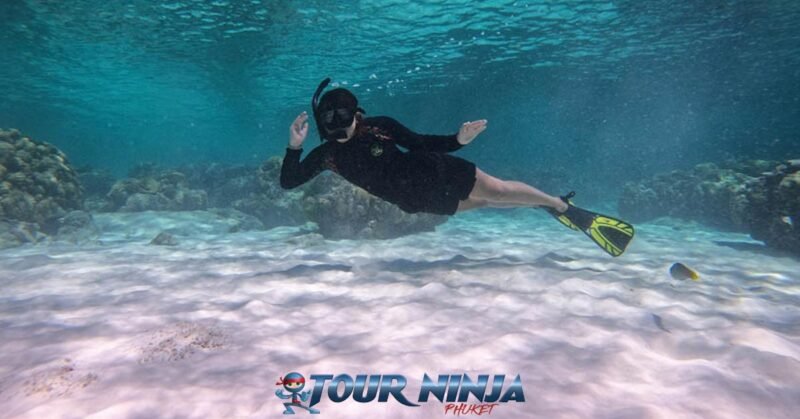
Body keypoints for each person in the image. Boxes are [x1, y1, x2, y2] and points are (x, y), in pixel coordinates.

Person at [279, 78, 634, 256]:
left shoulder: (380, 125)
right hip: (414, 200)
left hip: (433, 171)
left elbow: (421, 143)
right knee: (485, 204)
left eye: (344, 120)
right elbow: (289, 182)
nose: (338, 129)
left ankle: (561, 206)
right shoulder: (326, 155)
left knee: (498, 192)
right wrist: (294, 147)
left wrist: (458, 140)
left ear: (357, 114)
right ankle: (544, 203)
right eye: (330, 123)